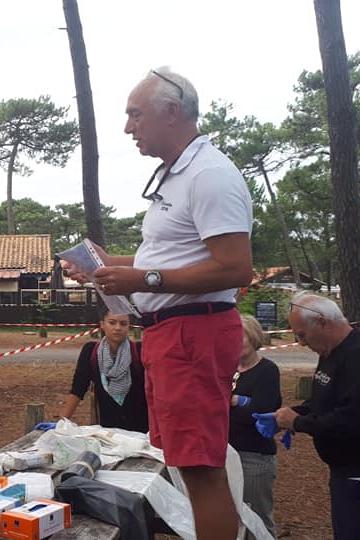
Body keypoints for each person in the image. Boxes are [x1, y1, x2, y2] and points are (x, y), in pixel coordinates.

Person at [62, 67, 253, 540]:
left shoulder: (210, 175)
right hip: (173, 333)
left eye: (135, 114)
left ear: (171, 112)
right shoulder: (179, 174)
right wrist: (109, 264)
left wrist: (141, 276)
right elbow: (171, 256)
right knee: (187, 464)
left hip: (195, 332)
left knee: (202, 470)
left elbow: (234, 268)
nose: (128, 127)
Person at [272, 292, 360, 540]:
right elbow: (324, 402)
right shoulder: (330, 354)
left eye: (302, 334)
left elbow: (352, 420)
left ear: (322, 322)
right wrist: (297, 411)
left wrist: (298, 422)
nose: (300, 343)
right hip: (348, 475)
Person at [229, 314, 281, 538]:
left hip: (254, 457)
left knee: (257, 517)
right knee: (232, 517)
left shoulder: (267, 370)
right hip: (226, 453)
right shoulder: (226, 368)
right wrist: (242, 401)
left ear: (254, 337)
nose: (236, 340)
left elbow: (259, 413)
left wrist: (232, 402)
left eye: (242, 336)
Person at [62, 310, 148, 432]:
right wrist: (62, 423)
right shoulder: (90, 352)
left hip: (141, 430)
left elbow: (154, 391)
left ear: (129, 326)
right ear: (102, 324)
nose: (117, 328)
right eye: (112, 323)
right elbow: (78, 389)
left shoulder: (139, 351)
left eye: (123, 324)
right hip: (107, 429)